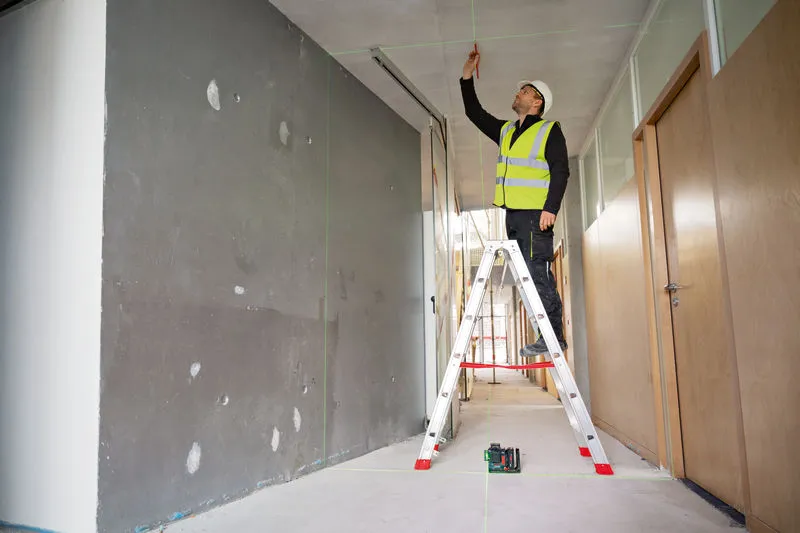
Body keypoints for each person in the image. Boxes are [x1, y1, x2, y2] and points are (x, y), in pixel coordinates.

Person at [460, 49, 569, 356]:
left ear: (538, 103)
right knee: (525, 280)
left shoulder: (549, 130)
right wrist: (467, 76)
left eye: (526, 90)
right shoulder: (507, 131)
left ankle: (554, 337)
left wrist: (551, 208)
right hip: (513, 217)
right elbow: (475, 114)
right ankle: (543, 335)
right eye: (521, 89)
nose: (519, 92)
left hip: (536, 216)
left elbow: (561, 170)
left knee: (538, 274)